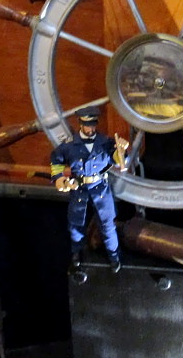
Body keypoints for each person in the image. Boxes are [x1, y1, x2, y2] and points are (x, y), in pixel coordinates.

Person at [50, 106, 129, 274]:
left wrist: (121, 151)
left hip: (100, 188)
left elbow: (117, 161)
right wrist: (59, 179)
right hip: (79, 189)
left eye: (93, 125)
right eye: (87, 125)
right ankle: (76, 253)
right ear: (81, 124)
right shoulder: (69, 145)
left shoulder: (105, 142)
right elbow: (56, 159)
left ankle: (114, 256)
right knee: (76, 224)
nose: (90, 129)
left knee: (107, 225)